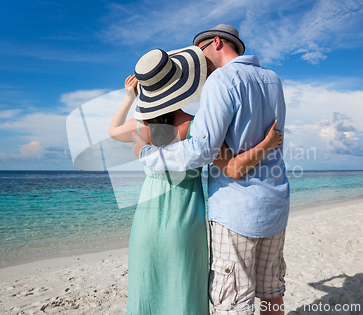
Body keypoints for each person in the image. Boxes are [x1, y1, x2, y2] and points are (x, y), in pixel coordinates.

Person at [108, 46, 283, 315]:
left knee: (147, 288)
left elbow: (112, 131)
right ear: (180, 85)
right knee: (184, 287)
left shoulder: (140, 128)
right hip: (186, 218)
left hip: (146, 221)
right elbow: (231, 166)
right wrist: (267, 143)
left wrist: (129, 98)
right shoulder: (196, 125)